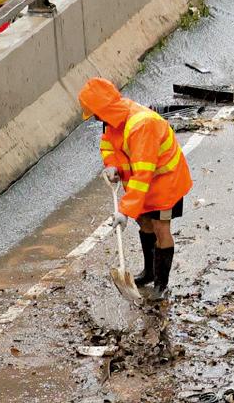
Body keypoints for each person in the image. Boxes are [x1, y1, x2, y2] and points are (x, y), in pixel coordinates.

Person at [79, 77, 193, 301]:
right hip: (144, 183)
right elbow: (108, 143)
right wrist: (111, 164)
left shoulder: (142, 126)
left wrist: (124, 210)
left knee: (161, 229)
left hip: (165, 184)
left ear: (103, 109)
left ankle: (161, 284)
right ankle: (149, 272)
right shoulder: (113, 120)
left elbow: (143, 175)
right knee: (144, 222)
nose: (94, 117)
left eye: (95, 113)